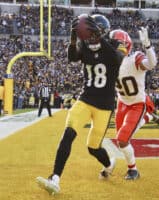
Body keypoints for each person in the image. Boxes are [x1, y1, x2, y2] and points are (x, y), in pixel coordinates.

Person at [36, 14, 124, 195]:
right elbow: (72, 57)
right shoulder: (83, 45)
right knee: (69, 132)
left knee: (93, 147)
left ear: (102, 32)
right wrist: (73, 39)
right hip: (85, 99)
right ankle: (55, 178)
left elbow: (117, 60)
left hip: (105, 106)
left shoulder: (114, 44)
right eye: (89, 33)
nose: (90, 37)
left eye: (93, 33)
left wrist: (100, 39)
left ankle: (108, 164)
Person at [110, 28, 157, 180]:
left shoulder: (134, 58)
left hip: (136, 104)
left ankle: (133, 170)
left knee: (123, 140)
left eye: (116, 44)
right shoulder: (108, 63)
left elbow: (151, 64)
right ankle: (148, 118)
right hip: (122, 103)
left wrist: (148, 45)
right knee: (121, 140)